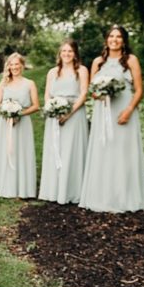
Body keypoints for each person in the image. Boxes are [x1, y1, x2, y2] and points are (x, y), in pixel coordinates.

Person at [79, 23, 144, 213]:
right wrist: (101, 92)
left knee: (124, 152)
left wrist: (129, 110)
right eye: (111, 36)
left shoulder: (131, 60)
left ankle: (125, 197)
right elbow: (91, 91)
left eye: (119, 37)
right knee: (104, 151)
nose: (114, 40)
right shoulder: (97, 62)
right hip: (103, 111)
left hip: (124, 111)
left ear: (124, 41)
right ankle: (103, 196)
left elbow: (139, 89)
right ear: (106, 40)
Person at [38, 39, 89, 205]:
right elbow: (47, 94)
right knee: (55, 150)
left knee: (71, 151)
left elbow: (83, 94)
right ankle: (53, 191)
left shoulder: (81, 70)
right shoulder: (52, 72)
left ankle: (72, 191)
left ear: (75, 54)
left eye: (70, 51)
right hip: (54, 115)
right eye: (64, 51)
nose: (66, 54)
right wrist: (51, 107)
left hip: (74, 115)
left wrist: (69, 113)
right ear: (59, 54)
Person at [0, 52, 39, 199]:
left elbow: (36, 106)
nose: (14, 67)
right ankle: (6, 184)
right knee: (7, 152)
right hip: (5, 124)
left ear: (22, 65)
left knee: (22, 152)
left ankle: (24, 187)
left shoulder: (29, 83)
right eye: (11, 64)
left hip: (23, 123)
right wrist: (7, 113)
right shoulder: (3, 83)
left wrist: (19, 114)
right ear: (8, 66)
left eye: (17, 64)